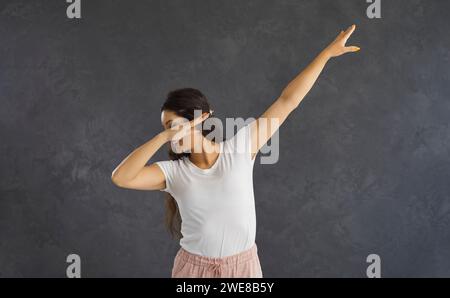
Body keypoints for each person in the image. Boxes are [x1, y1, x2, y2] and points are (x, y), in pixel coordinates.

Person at [111, 24, 360, 278]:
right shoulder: (173, 173)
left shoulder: (240, 148)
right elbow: (121, 178)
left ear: (201, 118)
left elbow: (288, 100)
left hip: (243, 269)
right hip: (193, 271)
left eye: (174, 125)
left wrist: (326, 54)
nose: (171, 135)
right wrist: (163, 135)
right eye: (165, 128)